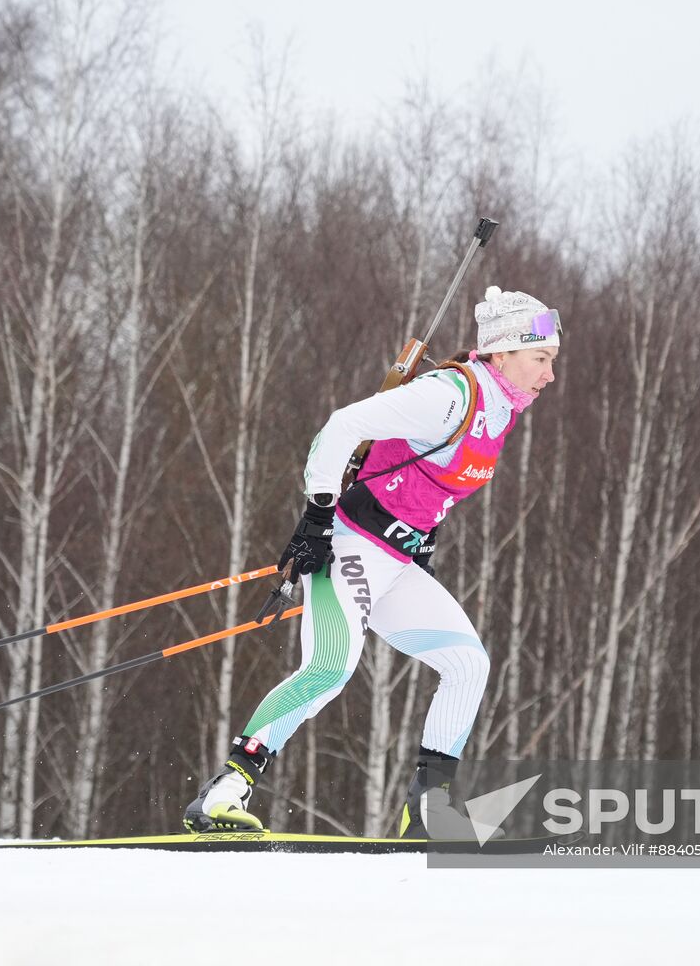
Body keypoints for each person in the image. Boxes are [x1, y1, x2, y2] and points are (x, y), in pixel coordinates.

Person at [183, 286, 562, 837]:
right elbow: (341, 426)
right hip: (351, 546)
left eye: (552, 361)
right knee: (329, 669)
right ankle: (224, 792)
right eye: (541, 359)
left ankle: (429, 813)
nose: (549, 376)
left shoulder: (500, 409)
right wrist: (317, 516)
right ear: (502, 354)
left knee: (468, 665)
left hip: (396, 562)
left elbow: (426, 483)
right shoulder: (450, 395)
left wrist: (423, 538)